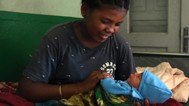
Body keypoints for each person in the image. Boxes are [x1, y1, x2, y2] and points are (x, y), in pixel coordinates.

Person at [17, 0, 149, 105]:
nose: (111, 30)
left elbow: (131, 87)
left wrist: (137, 100)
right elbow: (26, 89)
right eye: (105, 21)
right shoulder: (57, 39)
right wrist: (80, 88)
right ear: (85, 10)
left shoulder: (119, 44)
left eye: (117, 24)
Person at [100, 70, 173, 104]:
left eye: (138, 76)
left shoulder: (128, 90)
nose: (135, 73)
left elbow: (109, 87)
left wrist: (106, 79)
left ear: (140, 89)